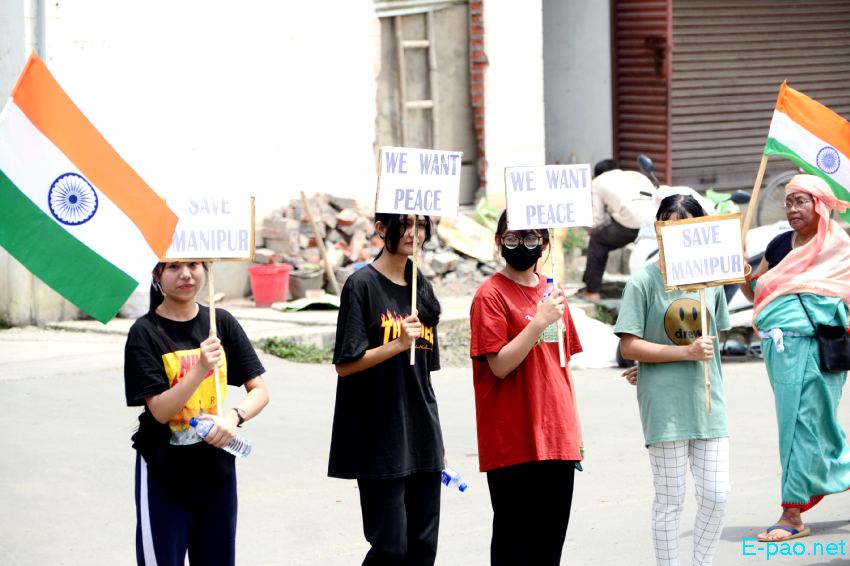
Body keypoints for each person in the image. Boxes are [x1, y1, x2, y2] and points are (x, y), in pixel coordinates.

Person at [124, 261, 270, 566]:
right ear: (156, 274)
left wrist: (233, 417)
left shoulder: (222, 323)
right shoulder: (145, 333)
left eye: (194, 264)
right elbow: (161, 411)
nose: (186, 274)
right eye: (174, 267)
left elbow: (260, 391)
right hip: (165, 471)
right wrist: (201, 367)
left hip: (216, 469)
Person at [615, 194, 731, 566]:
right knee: (670, 499)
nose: (675, 233)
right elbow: (629, 345)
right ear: (657, 230)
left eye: (684, 225)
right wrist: (676, 356)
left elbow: (717, 335)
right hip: (664, 406)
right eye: (667, 225)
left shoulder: (712, 280)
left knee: (717, 494)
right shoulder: (643, 281)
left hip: (709, 404)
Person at [738, 174, 850, 542]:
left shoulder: (838, 246)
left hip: (817, 348)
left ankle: (792, 512)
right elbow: (758, 288)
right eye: (788, 202)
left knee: (800, 427)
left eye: (801, 201)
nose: (792, 209)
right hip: (779, 349)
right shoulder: (780, 244)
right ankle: (844, 470)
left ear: (819, 204)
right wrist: (741, 273)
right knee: (814, 427)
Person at [328, 213, 444, 565]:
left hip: (422, 434)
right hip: (379, 435)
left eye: (421, 225)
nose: (414, 233)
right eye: (405, 224)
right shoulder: (361, 284)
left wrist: (438, 442)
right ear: (381, 229)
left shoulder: (419, 285)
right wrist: (396, 345)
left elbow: (426, 376)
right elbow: (345, 364)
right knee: (391, 549)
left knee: (423, 547)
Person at [469, 210, 583, 566]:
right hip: (511, 440)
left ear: (544, 243)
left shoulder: (554, 291)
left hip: (556, 437)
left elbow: (562, 365)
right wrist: (538, 323)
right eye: (513, 238)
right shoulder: (489, 295)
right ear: (499, 241)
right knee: (514, 546)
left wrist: (574, 429)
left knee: (549, 548)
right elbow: (500, 365)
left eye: (531, 238)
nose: (522, 246)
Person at [577, 158, 657, 301]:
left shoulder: (597, 182)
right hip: (654, 222)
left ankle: (592, 292)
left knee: (597, 241)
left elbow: (598, 218)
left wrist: (593, 229)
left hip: (630, 223)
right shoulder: (637, 175)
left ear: (598, 174)